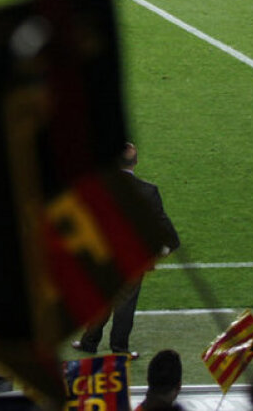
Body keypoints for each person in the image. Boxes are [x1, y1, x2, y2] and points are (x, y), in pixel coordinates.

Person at [73, 142, 178, 357]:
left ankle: (89, 342)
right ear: (136, 162)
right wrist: (168, 248)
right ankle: (119, 348)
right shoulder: (149, 191)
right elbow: (162, 224)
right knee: (125, 304)